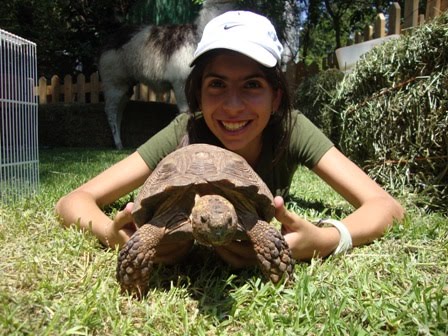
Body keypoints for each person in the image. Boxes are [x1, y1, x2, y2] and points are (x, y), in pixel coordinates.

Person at [55, 11, 404, 267]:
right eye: (217, 85)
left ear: (276, 97)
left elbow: (387, 207)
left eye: (252, 85)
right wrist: (115, 235)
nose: (233, 107)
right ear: (198, 95)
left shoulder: (290, 127)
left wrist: (328, 238)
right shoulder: (185, 132)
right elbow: (74, 201)